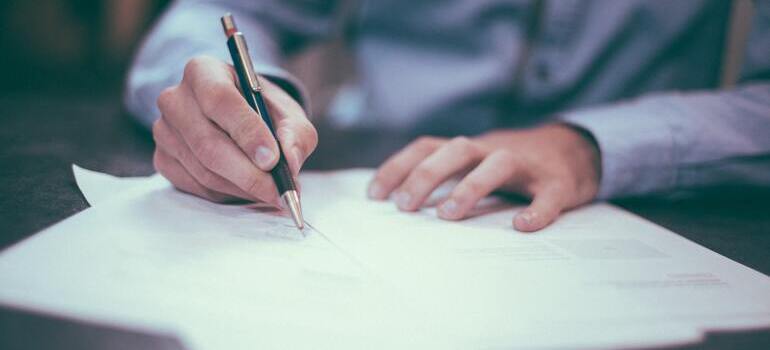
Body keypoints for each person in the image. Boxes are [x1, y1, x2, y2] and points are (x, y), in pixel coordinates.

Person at [125, 0, 770, 232]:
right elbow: (215, 13)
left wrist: (590, 146)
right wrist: (231, 96)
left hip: (641, 200)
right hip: (375, 182)